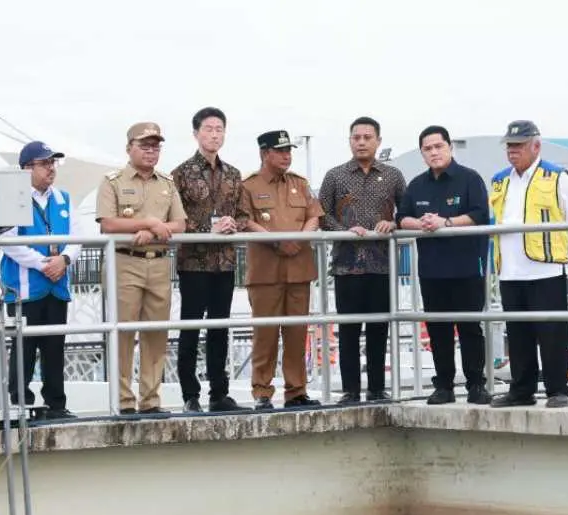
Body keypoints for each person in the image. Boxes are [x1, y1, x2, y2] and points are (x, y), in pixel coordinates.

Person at [95, 122, 188, 415]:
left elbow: (180, 225)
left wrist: (156, 231)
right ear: (129, 148)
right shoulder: (112, 181)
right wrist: (149, 223)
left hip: (158, 264)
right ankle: (124, 401)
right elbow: (108, 223)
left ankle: (150, 399)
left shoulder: (167, 183)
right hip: (125, 261)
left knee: (156, 333)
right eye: (144, 146)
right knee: (123, 332)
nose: (151, 152)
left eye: (155, 146)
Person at [487, 121, 568, 409]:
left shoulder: (557, 177)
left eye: (519, 145)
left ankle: (558, 389)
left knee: (551, 332)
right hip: (510, 268)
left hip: (545, 266)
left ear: (536, 146)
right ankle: (521, 389)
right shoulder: (500, 179)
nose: (512, 151)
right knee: (518, 333)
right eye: (510, 146)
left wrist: (561, 252)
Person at [397, 125, 492, 405]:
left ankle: (476, 383)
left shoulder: (469, 179)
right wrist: (421, 223)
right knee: (438, 329)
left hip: (466, 267)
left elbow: (480, 214)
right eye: (428, 148)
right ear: (422, 153)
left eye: (439, 146)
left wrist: (446, 223)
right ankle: (444, 386)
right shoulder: (416, 185)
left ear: (449, 147)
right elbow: (401, 217)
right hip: (432, 269)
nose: (434, 152)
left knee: (470, 328)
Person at [318, 116, 406, 404]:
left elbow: (405, 213)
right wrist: (345, 231)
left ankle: (378, 389)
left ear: (378, 141)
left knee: (379, 328)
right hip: (346, 265)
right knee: (349, 330)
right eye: (356, 137)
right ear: (350, 141)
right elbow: (322, 214)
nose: (362, 142)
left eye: (368, 137)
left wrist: (393, 224)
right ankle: (351, 390)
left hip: (382, 264)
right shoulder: (335, 176)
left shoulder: (393, 176)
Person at [241, 130, 324, 410]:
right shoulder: (248, 186)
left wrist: (301, 236)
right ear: (265, 153)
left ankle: (296, 391)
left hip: (299, 269)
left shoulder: (300, 184)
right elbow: (245, 221)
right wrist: (276, 240)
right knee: (265, 335)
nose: (287, 155)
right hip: (266, 272)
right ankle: (262, 393)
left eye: (289, 150)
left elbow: (315, 215)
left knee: (296, 334)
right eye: (281, 151)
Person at [171, 107, 246, 413]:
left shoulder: (233, 174)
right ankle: (190, 394)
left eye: (219, 129)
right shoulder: (181, 173)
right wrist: (207, 229)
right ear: (196, 134)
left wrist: (233, 225)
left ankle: (219, 393)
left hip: (225, 262)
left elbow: (243, 213)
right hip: (193, 263)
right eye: (209, 129)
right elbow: (175, 219)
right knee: (190, 327)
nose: (214, 134)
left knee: (220, 328)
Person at [1, 141, 77, 420]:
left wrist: (65, 260)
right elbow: (8, 241)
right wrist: (43, 263)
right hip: (24, 288)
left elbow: (77, 238)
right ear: (26, 168)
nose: (51, 169)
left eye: (52, 163)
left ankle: (56, 404)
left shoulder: (63, 199)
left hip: (56, 287)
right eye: (44, 163)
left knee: (55, 346)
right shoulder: (12, 198)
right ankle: (20, 403)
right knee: (24, 348)